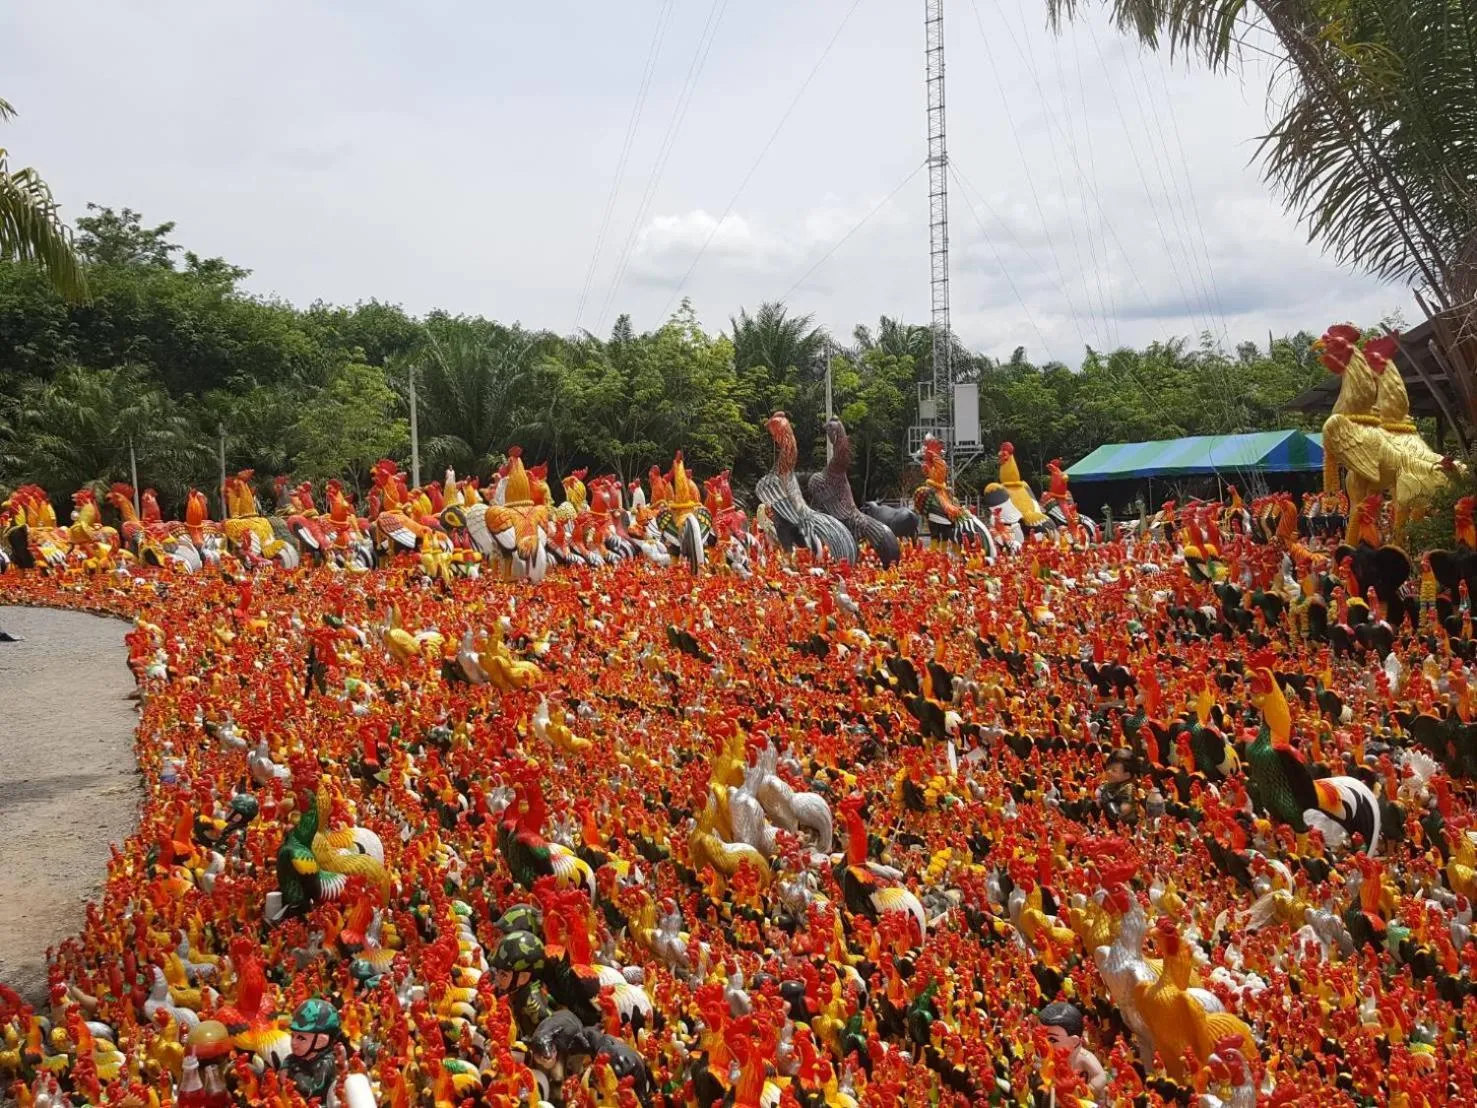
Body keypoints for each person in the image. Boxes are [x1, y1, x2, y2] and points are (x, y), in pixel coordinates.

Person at [1037, 1001, 1108, 1099]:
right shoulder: (1050, 1055)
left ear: (1074, 1041)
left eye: (1052, 1039)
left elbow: (1100, 1076)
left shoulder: (1083, 1057)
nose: (1045, 1043)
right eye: (1041, 1037)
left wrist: (1088, 1090)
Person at [284, 998, 344, 1101]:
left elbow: (310, 1092)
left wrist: (293, 1072)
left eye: (301, 1038)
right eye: (292, 1036)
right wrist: (285, 1066)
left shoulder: (325, 1064)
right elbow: (289, 1060)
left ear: (321, 1041)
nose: (293, 1042)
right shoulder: (300, 1056)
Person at [1097, 747, 1141, 825]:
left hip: (1125, 825)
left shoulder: (1128, 788)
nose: (1109, 772)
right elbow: (1099, 794)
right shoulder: (1110, 784)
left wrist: (1109, 801)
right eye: (1108, 768)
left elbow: (1124, 809)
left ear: (1127, 775)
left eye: (1114, 770)